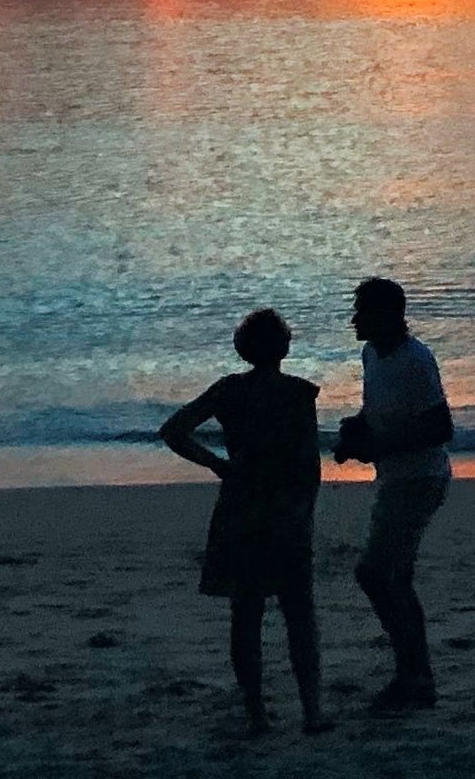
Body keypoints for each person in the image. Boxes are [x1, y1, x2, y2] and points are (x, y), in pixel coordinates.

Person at [160, 308, 325, 733]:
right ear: (284, 348)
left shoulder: (229, 391)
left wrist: (218, 465)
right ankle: (311, 711)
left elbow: (174, 430)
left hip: (241, 505)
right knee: (298, 612)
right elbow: (309, 463)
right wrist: (305, 507)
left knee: (246, 614)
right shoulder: (298, 393)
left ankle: (256, 713)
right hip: (285, 507)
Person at [336, 275, 455, 713]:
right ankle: (415, 674)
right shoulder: (372, 354)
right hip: (397, 478)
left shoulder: (415, 361)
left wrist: (377, 448)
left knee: (375, 574)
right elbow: (379, 411)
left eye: (362, 312)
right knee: (395, 578)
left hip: (419, 479)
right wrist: (357, 430)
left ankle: (413, 674)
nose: (354, 320)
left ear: (386, 315)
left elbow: (439, 427)